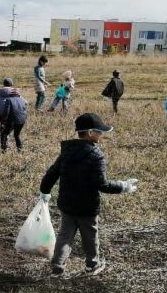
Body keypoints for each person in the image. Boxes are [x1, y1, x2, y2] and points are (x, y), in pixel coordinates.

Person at [39, 113, 139, 277]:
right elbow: (102, 184)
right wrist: (123, 186)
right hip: (87, 206)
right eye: (100, 132)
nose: (102, 135)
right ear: (90, 132)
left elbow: (52, 173)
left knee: (65, 236)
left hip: (67, 204)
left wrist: (44, 191)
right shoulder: (95, 155)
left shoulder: (67, 151)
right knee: (90, 236)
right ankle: (92, 265)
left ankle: (57, 266)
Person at [0, 77, 27, 152]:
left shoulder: (1, 93)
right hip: (20, 118)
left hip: (5, 115)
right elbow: (25, 103)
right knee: (16, 135)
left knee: (3, 132)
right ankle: (20, 149)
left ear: (3, 84)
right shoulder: (16, 92)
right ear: (12, 84)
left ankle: (4, 149)